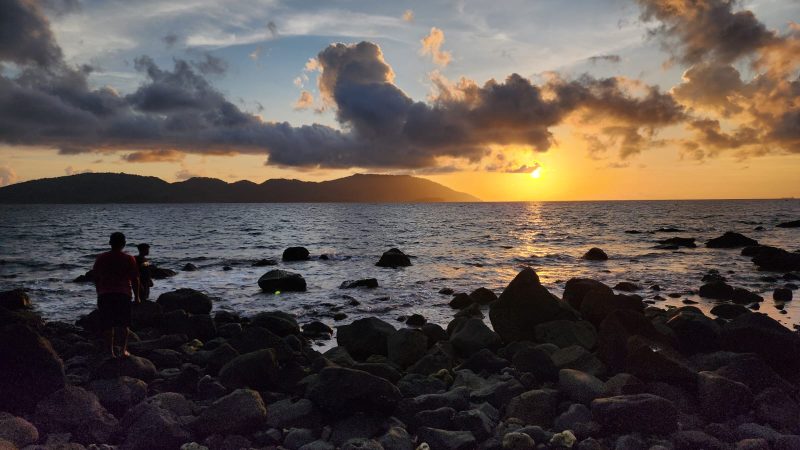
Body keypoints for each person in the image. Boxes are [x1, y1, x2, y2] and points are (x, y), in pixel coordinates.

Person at [93, 232, 140, 358]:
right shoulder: (129, 258)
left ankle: (110, 352)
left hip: (105, 294)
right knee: (124, 325)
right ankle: (123, 351)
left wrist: (98, 291)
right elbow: (135, 279)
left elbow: (96, 277)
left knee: (108, 324)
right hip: (123, 294)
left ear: (110, 243)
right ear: (124, 244)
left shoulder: (101, 258)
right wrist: (137, 297)